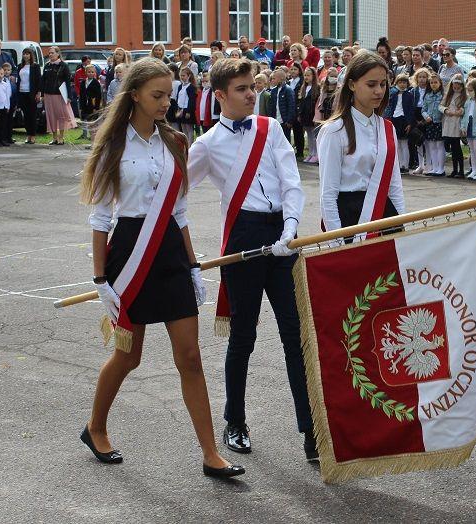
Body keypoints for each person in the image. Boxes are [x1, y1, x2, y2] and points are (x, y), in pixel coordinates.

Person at [79, 58, 242, 479]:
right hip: (129, 254)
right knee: (128, 357)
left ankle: (211, 454)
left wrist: (191, 265)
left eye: (169, 94)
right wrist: (101, 281)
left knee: (189, 357)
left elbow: (181, 211)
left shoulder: (175, 141)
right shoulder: (113, 145)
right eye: (157, 95)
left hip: (169, 250)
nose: (166, 102)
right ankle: (95, 427)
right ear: (134, 94)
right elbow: (100, 220)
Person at [186, 58, 315, 462]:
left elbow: (291, 181)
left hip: (281, 234)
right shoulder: (206, 144)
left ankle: (312, 428)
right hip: (242, 236)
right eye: (241, 89)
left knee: (295, 335)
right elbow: (173, 193)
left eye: (252, 86)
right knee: (243, 335)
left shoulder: (271, 127)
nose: (250, 94)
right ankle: (235, 421)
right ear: (220, 95)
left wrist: (290, 229)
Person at [318, 49, 405, 242]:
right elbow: (328, 195)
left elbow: (395, 186)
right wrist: (336, 242)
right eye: (371, 84)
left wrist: (402, 224)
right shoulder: (334, 131)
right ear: (352, 84)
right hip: (350, 217)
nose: (379, 91)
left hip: (385, 214)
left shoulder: (387, 128)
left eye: (383, 84)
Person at [41, 46, 76, 145]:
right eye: (49, 53)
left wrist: (69, 96)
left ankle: (61, 137)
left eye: (52, 53)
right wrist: (42, 93)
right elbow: (43, 80)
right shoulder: (47, 65)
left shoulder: (63, 65)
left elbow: (68, 81)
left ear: (57, 54)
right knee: (51, 116)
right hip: (48, 94)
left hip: (60, 94)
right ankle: (54, 137)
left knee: (61, 116)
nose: (50, 54)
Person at [383, 73, 415, 173]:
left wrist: (409, 123)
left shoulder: (409, 95)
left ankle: (404, 165)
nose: (402, 84)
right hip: (394, 119)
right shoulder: (392, 93)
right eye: (400, 82)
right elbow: (388, 107)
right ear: (396, 83)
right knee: (396, 143)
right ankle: (397, 164)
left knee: (404, 143)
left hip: (404, 119)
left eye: (404, 82)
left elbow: (410, 109)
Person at [440, 74, 467, 178]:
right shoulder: (448, 95)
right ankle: (455, 169)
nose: (456, 88)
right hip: (448, 122)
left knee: (457, 147)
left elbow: (466, 107)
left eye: (458, 86)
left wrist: (461, 111)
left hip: (457, 122)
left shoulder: (464, 96)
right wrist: (445, 110)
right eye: (454, 86)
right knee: (452, 146)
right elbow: (440, 106)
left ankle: (461, 170)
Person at [422, 73, 446, 176]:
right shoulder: (428, 95)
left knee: (439, 145)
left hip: (440, 122)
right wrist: (426, 116)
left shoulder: (443, 95)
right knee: (431, 145)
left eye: (435, 82)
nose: (433, 84)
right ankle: (434, 167)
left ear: (440, 83)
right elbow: (423, 109)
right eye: (431, 83)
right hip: (430, 122)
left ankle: (441, 168)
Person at [17, 48, 42, 145]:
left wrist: (38, 93)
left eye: (27, 54)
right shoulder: (20, 66)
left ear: (31, 55)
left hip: (31, 93)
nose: (26, 56)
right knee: (26, 115)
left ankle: (33, 135)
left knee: (32, 115)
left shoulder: (35, 66)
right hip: (22, 93)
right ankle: (28, 134)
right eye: (24, 54)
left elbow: (38, 80)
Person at [297, 66, 320, 163]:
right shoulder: (304, 87)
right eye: (305, 75)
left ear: (313, 76)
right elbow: (301, 102)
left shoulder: (317, 88)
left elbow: (317, 102)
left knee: (314, 136)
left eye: (308, 75)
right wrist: (299, 114)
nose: (306, 77)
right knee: (309, 135)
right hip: (305, 115)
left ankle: (316, 154)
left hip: (312, 115)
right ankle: (311, 153)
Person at [267, 68, 296, 143]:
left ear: (281, 79)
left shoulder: (288, 90)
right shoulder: (273, 91)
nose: (272, 80)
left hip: (284, 121)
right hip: (275, 120)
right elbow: (271, 106)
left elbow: (291, 106)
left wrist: (289, 121)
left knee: (285, 139)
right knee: (275, 139)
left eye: (274, 78)